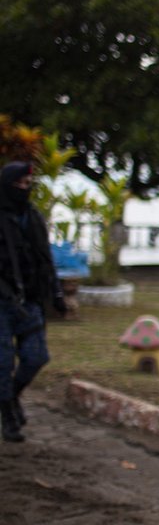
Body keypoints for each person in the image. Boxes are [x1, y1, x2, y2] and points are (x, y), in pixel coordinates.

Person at [0, 161, 66, 442]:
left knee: (36, 357)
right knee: (2, 364)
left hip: (31, 301)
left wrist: (56, 293)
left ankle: (11, 398)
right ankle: (8, 417)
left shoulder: (34, 217)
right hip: (2, 302)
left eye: (28, 185)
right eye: (19, 185)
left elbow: (45, 259)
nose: (24, 190)